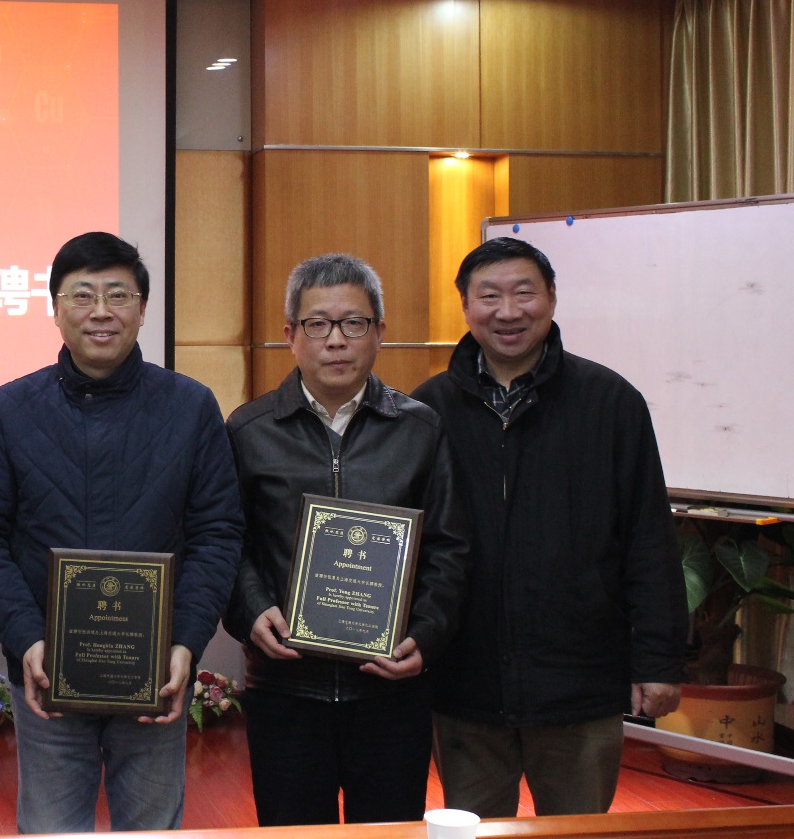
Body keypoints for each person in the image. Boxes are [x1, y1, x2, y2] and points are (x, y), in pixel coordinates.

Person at [0, 231, 244, 834]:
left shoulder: (190, 407)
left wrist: (185, 642)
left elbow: (217, 533)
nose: (101, 311)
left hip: (155, 673)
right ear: (56, 307)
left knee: (151, 830)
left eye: (118, 294)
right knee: (52, 829)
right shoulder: (9, 409)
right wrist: (28, 639)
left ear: (142, 308)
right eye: (83, 295)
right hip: (45, 674)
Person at [413, 237, 686, 817]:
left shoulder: (611, 402)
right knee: (474, 829)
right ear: (465, 306)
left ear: (553, 298)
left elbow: (649, 539)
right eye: (489, 296)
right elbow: (413, 542)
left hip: (579, 683)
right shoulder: (427, 410)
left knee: (579, 830)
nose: (508, 311)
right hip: (466, 684)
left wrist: (658, 661)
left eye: (524, 293)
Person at [224, 252, 469, 827]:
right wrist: (252, 610)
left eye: (353, 323)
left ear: (379, 332)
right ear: (291, 334)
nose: (336, 340)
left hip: (389, 691)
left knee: (389, 831)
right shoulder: (249, 430)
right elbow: (228, 541)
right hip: (286, 688)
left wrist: (426, 636)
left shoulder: (420, 429)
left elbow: (450, 547)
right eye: (318, 324)